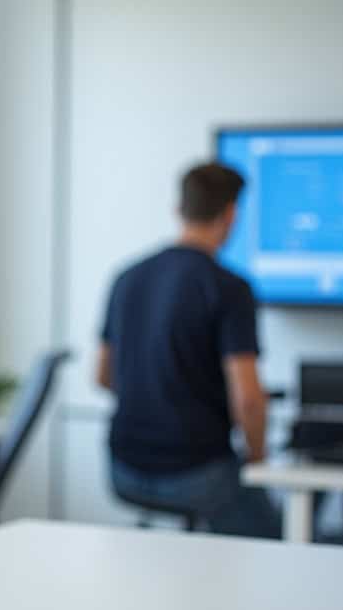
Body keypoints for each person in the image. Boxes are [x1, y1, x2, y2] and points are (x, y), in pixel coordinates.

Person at [96, 162, 282, 538]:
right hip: (198, 474)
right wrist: (258, 462)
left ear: (178, 210)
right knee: (275, 542)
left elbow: (102, 377)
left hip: (123, 469)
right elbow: (248, 400)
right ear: (230, 214)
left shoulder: (126, 277)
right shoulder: (228, 288)